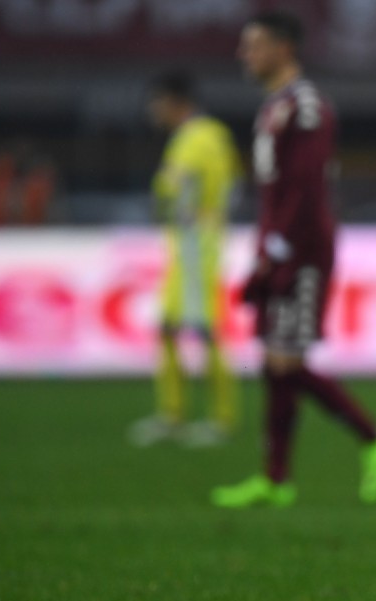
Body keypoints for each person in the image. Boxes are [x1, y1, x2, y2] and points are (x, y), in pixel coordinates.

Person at [212, 11, 376, 508]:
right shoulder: (275, 108)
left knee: (286, 360)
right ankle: (275, 480)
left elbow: (305, 188)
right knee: (276, 361)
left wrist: (278, 251)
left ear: (283, 48)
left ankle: (375, 437)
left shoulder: (307, 107)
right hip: (279, 247)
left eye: (252, 45)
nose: (242, 55)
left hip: (303, 252)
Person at [129, 71, 241, 448]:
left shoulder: (195, 138)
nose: (153, 110)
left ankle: (220, 420)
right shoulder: (212, 136)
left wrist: (170, 206)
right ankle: (172, 415)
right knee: (168, 328)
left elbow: (175, 191)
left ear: (175, 102)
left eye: (157, 101)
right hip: (193, 244)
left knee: (205, 330)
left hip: (197, 246)